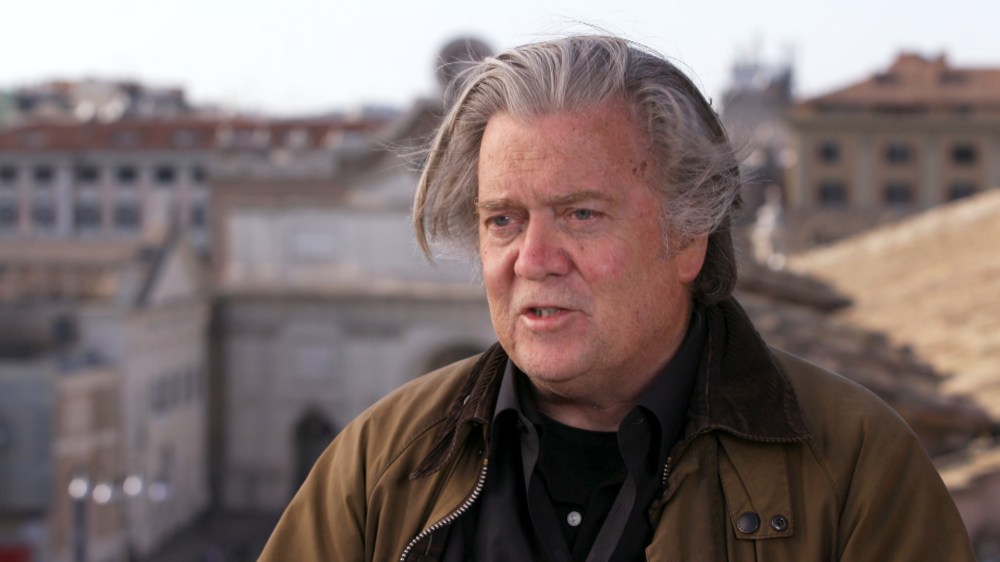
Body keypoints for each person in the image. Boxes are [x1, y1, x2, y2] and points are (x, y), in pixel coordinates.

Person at [259, 35, 976, 561]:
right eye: (502, 220)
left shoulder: (855, 466)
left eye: (582, 215)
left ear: (690, 235)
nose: (532, 260)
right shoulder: (380, 462)